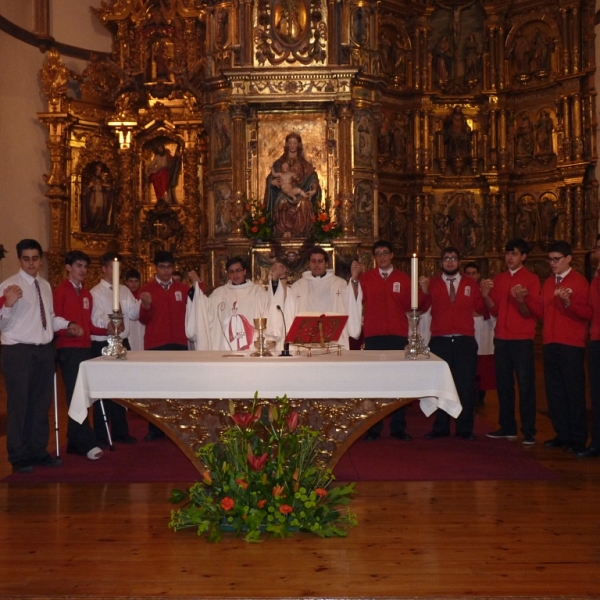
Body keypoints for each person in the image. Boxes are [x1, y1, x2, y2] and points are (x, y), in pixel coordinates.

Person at [0, 239, 82, 473]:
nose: (31, 263)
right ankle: (18, 455)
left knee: (41, 403)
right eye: (26, 258)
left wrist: (68, 324)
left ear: (41, 260)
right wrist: (7, 304)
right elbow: (2, 323)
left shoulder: (44, 285)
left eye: (35, 258)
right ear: (19, 260)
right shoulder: (9, 286)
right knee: (19, 404)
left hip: (44, 350)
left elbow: (49, 317)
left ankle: (37, 450)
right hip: (18, 351)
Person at [350, 240, 431, 441]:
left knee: (399, 382)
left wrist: (424, 291)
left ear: (392, 255)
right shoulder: (367, 278)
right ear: (374, 258)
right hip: (374, 334)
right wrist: (354, 279)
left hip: (397, 334)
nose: (382, 257)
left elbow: (417, 306)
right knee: (374, 383)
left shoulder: (403, 279)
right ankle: (373, 427)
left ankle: (398, 427)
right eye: (378, 254)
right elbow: (355, 300)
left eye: (386, 252)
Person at [517, 241, 591, 454]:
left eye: (556, 259)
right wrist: (525, 299)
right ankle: (562, 434)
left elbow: (587, 313)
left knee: (573, 392)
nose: (552, 263)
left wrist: (569, 303)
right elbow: (540, 312)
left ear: (568, 259)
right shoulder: (549, 282)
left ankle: (578, 438)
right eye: (550, 259)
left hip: (571, 343)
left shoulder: (579, 282)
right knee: (555, 392)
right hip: (550, 342)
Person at [420, 247, 486, 440]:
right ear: (441, 262)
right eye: (446, 259)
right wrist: (424, 292)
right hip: (440, 340)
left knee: (465, 385)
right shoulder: (432, 283)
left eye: (454, 258)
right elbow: (422, 308)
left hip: (464, 340)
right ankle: (441, 426)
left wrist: (484, 292)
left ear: (459, 261)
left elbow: (480, 308)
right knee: (440, 384)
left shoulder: (469, 283)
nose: (450, 262)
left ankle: (465, 428)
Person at [479, 240, 539, 445]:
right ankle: (507, 426)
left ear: (523, 256)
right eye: (507, 253)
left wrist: (521, 299)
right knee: (504, 385)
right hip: (502, 339)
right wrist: (486, 296)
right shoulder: (500, 278)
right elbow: (494, 310)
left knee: (525, 386)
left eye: (514, 254)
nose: (509, 257)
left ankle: (529, 430)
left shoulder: (531, 279)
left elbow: (529, 313)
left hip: (521, 339)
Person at [53, 250, 104, 460]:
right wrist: (68, 329)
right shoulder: (60, 292)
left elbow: (88, 325)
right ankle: (88, 442)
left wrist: (108, 329)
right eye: (78, 266)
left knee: (84, 396)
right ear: (68, 267)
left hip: (85, 348)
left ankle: (75, 442)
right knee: (76, 395)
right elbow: (54, 321)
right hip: (69, 349)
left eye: (85, 266)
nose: (82, 270)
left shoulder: (86, 294)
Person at [139, 250, 190, 440]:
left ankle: (178, 425)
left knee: (178, 385)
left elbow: (198, 306)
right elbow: (144, 320)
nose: (166, 271)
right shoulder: (147, 289)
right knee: (156, 386)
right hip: (156, 344)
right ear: (155, 268)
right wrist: (145, 306)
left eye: (169, 267)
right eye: (162, 267)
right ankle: (155, 428)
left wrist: (197, 284)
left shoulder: (183, 289)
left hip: (178, 342)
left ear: (173, 268)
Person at [186, 257, 286, 352]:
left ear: (244, 272)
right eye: (231, 272)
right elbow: (205, 310)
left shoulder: (257, 291)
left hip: (251, 349)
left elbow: (272, 303)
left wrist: (275, 278)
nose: (235, 275)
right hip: (225, 349)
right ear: (228, 274)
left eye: (238, 270)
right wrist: (197, 287)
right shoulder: (219, 293)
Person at [90, 252, 139, 445]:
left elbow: (133, 313)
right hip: (104, 342)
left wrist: (143, 303)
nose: (116, 272)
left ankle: (120, 431)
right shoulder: (96, 293)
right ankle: (101, 434)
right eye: (112, 267)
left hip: (122, 342)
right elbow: (96, 317)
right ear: (103, 269)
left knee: (120, 388)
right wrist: (108, 324)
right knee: (102, 389)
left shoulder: (125, 291)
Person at [284, 247, 361, 350]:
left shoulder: (339, 284)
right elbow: (288, 313)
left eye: (320, 261)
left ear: (326, 263)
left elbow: (352, 301)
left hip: (334, 341)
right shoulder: (297, 286)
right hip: (304, 343)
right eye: (313, 261)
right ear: (309, 263)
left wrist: (355, 278)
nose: (316, 265)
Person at [264, 132, 320, 238]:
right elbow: (271, 176)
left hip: (298, 191)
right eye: (290, 143)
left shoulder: (304, 164)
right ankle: (284, 232)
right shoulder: (279, 163)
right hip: (284, 192)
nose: (293, 145)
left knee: (304, 203)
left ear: (299, 145)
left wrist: (313, 189)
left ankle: (301, 233)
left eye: (295, 143)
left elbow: (312, 176)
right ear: (287, 145)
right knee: (282, 202)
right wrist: (272, 182)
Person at [463, 262, 496, 410]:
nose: (471, 276)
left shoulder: (485, 289)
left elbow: (491, 307)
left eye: (473, 273)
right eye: (468, 273)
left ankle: (480, 395)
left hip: (483, 330)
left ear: (478, 275)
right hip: (466, 328)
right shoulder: (460, 288)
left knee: (483, 363)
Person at [584, 235, 600, 458]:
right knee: (596, 394)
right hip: (596, 338)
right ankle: (597, 441)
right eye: (597, 247)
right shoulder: (595, 277)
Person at [124, 268, 145, 352]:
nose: (133, 284)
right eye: (130, 281)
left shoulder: (143, 296)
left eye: (136, 281)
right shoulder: (123, 296)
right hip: (128, 330)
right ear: (126, 282)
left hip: (141, 328)